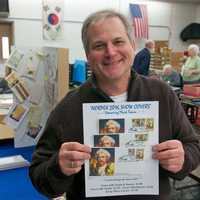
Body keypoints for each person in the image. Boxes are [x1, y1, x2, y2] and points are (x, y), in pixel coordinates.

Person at [29, 9, 200, 200]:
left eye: (118, 42)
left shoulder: (161, 94)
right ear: (87, 54)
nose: (111, 52)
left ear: (132, 45)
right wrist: (58, 167)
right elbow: (38, 174)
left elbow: (193, 145)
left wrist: (182, 158)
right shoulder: (69, 106)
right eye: (99, 45)